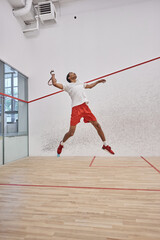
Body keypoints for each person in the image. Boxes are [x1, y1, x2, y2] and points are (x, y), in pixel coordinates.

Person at [50, 71, 115, 155]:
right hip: (76, 109)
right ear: (69, 77)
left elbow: (90, 86)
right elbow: (54, 83)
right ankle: (61, 144)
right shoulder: (67, 86)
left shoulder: (80, 83)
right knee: (71, 133)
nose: (74, 73)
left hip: (85, 107)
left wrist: (98, 81)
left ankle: (105, 145)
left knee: (98, 126)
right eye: (72, 73)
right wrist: (53, 75)